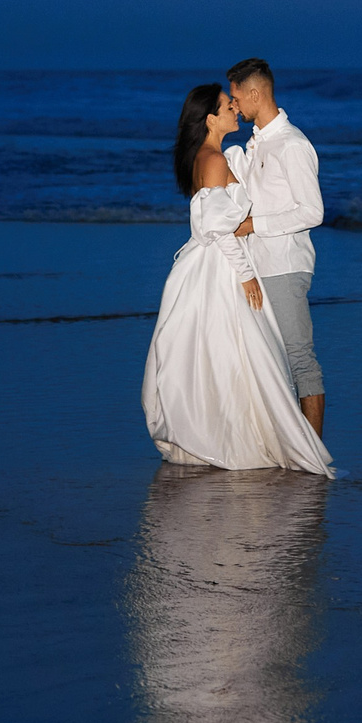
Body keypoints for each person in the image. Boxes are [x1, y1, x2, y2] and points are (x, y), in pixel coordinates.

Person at [141, 84, 334, 476]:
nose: (234, 109)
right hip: (223, 266)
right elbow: (216, 228)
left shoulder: (217, 155)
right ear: (210, 119)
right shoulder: (212, 160)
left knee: (226, 356)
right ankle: (244, 439)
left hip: (217, 263)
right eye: (227, 106)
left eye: (234, 101)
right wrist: (246, 275)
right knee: (239, 355)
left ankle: (225, 432)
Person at [221, 58, 326, 436]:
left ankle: (313, 449)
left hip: (285, 264)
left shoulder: (292, 144)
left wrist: (254, 226)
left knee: (299, 358)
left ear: (254, 94)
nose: (234, 105)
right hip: (257, 264)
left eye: (236, 98)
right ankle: (282, 441)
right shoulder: (254, 143)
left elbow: (313, 211)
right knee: (266, 361)